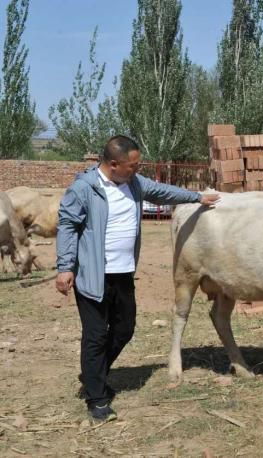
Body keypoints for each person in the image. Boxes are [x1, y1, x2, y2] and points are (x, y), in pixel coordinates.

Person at [56, 135, 220, 422]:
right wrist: (65, 266)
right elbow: (68, 225)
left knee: (125, 328)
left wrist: (197, 197)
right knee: (95, 337)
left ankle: (94, 374)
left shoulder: (133, 183)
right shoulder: (85, 188)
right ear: (113, 164)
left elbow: (162, 192)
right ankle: (97, 398)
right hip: (93, 276)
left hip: (123, 273)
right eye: (132, 165)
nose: (137, 169)